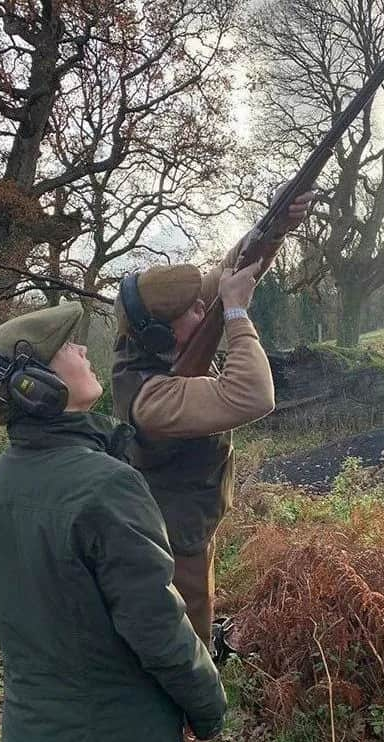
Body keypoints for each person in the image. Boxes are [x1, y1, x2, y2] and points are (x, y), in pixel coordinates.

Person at [0, 300, 227, 742]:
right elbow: (158, 627)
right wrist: (208, 704)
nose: (83, 350)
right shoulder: (107, 486)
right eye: (67, 348)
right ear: (36, 388)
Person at [112, 191, 313, 652]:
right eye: (196, 312)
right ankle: (195, 692)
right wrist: (236, 313)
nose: (206, 310)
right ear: (161, 333)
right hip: (173, 534)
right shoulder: (150, 399)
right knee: (186, 632)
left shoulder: (150, 331)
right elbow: (254, 395)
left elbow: (228, 272)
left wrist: (274, 226)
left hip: (195, 512)